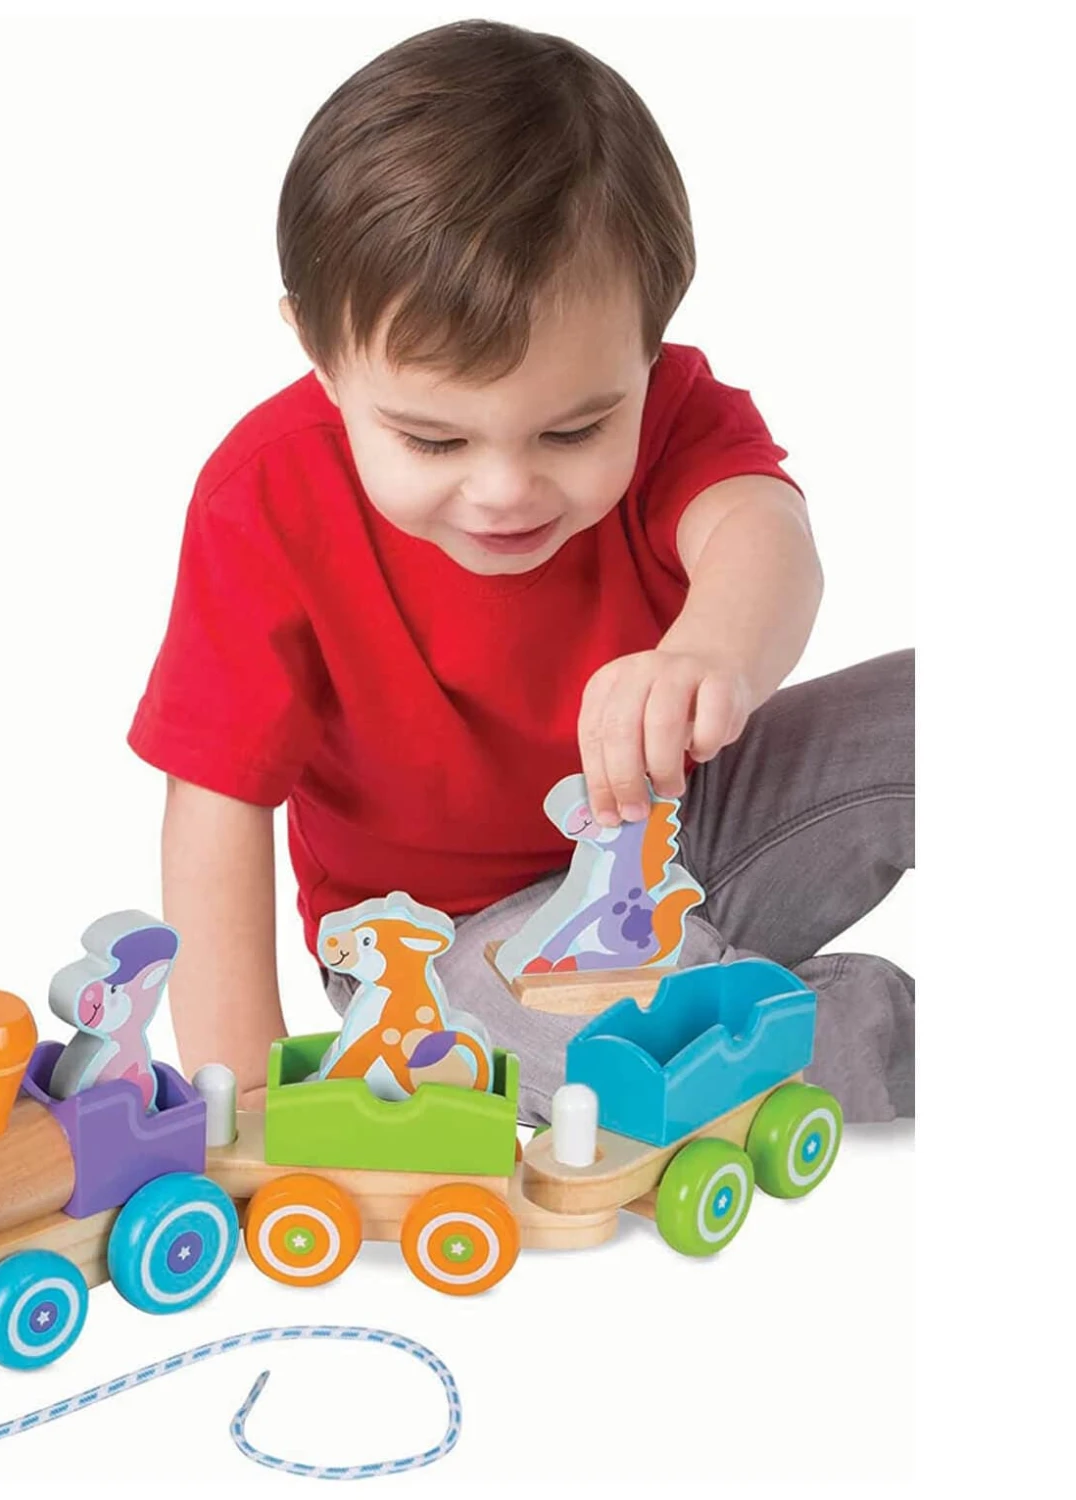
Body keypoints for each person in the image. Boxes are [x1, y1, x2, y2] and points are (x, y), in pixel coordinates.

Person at [127, 20, 914, 1127]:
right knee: (627, 1072)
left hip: (673, 830)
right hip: (439, 951)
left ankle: (704, 981)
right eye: (433, 440)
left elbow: (763, 531)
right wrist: (246, 1092)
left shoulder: (673, 412)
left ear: (649, 344)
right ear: (321, 355)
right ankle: (887, 1039)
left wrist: (712, 650)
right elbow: (216, 801)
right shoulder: (263, 500)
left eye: (574, 430)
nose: (504, 490)